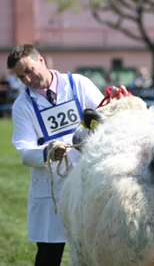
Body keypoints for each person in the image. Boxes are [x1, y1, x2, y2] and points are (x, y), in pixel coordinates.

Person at [7, 44, 127, 266]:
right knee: (49, 254)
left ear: (41, 60)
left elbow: (103, 118)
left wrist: (115, 103)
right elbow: (24, 151)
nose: (27, 79)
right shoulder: (22, 105)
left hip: (89, 179)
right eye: (21, 76)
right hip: (52, 185)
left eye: (29, 70)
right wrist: (47, 152)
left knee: (95, 248)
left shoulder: (78, 83)